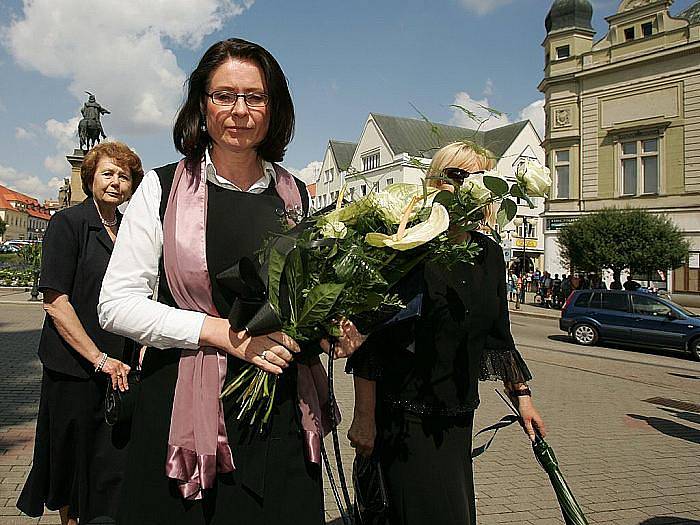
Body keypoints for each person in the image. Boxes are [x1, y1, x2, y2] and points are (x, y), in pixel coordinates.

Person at [97, 39, 361, 524]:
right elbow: (115, 305)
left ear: (273, 106)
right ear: (202, 103)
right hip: (181, 405)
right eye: (224, 95)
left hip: (279, 408)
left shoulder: (295, 194)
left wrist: (329, 331)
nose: (240, 110)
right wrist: (222, 335)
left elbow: (299, 300)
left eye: (255, 97)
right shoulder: (162, 187)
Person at [345, 141, 547, 525]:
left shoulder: (489, 253)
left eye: (480, 178)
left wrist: (523, 398)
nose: (468, 186)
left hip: (457, 418)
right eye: (457, 175)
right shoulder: (410, 246)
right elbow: (372, 340)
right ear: (435, 182)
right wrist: (364, 417)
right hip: (405, 418)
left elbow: (499, 336)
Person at [17, 142, 144, 525]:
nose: (116, 182)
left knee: (109, 463)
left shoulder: (130, 230)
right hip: (74, 368)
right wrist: (97, 358)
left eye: (124, 176)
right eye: (108, 173)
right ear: (90, 178)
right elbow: (55, 301)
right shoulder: (68, 223)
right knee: (72, 464)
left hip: (119, 367)